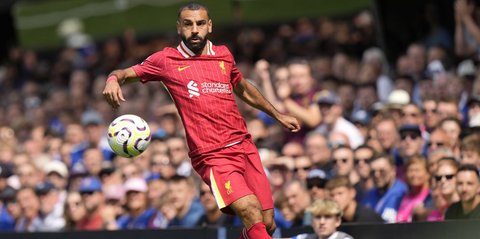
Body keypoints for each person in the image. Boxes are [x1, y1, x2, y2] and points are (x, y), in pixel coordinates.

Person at [102, 3, 300, 238]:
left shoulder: (224, 55)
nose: (194, 30)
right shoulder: (167, 60)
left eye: (199, 24)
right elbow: (126, 73)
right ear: (179, 27)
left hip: (244, 145)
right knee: (250, 211)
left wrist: (277, 114)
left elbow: (243, 88)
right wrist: (113, 78)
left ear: (209, 26)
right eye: (188, 24)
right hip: (212, 154)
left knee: (266, 224)